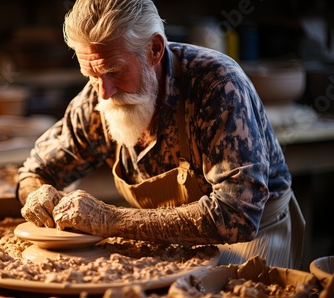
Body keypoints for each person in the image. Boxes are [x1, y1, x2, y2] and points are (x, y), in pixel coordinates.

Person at [16, 0, 305, 269]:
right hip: (165, 245)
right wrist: (38, 193)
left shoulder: (217, 84)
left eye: (114, 71)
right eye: (91, 75)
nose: (103, 92)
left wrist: (110, 219)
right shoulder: (99, 95)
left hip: (249, 245)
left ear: (154, 49)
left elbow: (237, 215)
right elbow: (33, 172)